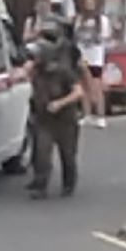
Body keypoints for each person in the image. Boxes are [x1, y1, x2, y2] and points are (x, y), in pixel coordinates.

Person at [26, 21, 85, 200]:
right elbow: (24, 75)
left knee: (68, 155)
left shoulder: (63, 71)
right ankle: (41, 185)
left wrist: (60, 103)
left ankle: (69, 185)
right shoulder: (37, 71)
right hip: (44, 119)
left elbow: (78, 92)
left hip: (65, 120)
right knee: (42, 153)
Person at [75, 0, 113, 129]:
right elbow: (76, 35)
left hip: (95, 57)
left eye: (91, 2)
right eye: (86, 2)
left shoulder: (102, 20)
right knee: (84, 86)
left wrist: (92, 38)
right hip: (82, 56)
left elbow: (105, 37)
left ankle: (101, 116)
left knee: (96, 86)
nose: (88, 5)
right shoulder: (80, 19)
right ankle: (87, 114)